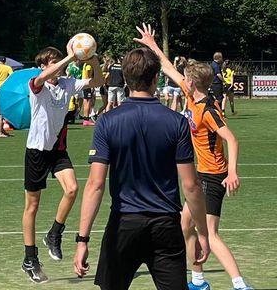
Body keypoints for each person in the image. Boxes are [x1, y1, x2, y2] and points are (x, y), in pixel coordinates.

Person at [72, 24, 211, 290]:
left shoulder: (107, 122)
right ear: (156, 77)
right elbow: (191, 186)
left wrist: (82, 240)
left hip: (123, 224)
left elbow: (95, 185)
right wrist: (202, 233)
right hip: (165, 226)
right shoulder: (176, 123)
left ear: (124, 78)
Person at [144, 43, 254, 290]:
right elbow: (168, 67)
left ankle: (240, 285)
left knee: (211, 235)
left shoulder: (208, 111)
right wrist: (152, 45)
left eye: (187, 78)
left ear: (193, 83)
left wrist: (233, 172)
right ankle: (198, 280)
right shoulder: (191, 94)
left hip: (214, 177)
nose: (183, 80)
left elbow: (232, 139)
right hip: (201, 173)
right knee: (185, 225)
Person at [21, 45, 104, 283]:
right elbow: (44, 76)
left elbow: (97, 81)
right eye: (54, 62)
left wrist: (92, 57)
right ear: (43, 66)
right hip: (36, 151)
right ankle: (30, 258)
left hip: (57, 150)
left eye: (61, 61)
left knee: (72, 189)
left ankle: (54, 233)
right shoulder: (37, 85)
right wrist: (70, 56)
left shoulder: (67, 84)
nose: (60, 65)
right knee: (32, 206)